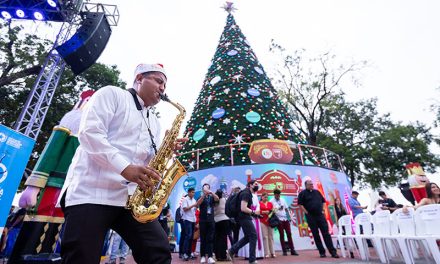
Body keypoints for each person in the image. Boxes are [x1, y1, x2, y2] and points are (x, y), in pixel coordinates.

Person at [58, 63, 188, 264]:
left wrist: (167, 151)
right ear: (139, 78)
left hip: (129, 200)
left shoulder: (154, 121)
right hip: (91, 191)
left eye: (165, 85)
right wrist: (125, 168)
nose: (163, 88)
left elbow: (147, 163)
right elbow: (90, 133)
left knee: (158, 250)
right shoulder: (111, 94)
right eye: (158, 81)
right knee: (81, 258)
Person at [298, 180, 339, 258]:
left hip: (320, 215)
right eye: (310, 184)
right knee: (316, 234)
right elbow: (300, 204)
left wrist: (323, 210)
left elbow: (323, 201)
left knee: (326, 234)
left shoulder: (317, 192)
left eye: (312, 184)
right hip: (311, 217)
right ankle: (322, 252)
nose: (312, 185)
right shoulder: (302, 194)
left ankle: (333, 252)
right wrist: (306, 212)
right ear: (306, 185)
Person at [226, 180, 260, 264]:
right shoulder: (246, 193)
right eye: (255, 184)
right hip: (244, 217)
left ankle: (231, 250)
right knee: (253, 236)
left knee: (248, 237)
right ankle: (252, 260)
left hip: (243, 217)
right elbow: (243, 208)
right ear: (250, 185)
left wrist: (254, 214)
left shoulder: (246, 193)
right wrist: (253, 212)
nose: (257, 185)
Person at [270, 189, 298, 256]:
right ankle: (284, 251)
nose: (278, 196)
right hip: (279, 219)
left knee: (289, 234)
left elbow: (286, 208)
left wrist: (289, 218)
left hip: (285, 219)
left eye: (279, 195)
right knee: (281, 234)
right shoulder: (271, 201)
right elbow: (271, 211)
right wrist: (277, 209)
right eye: (277, 195)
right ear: (274, 194)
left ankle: (292, 250)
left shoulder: (282, 199)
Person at [198, 183, 219, 264]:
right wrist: (204, 195)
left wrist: (211, 192)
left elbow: (217, 199)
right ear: (203, 190)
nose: (206, 189)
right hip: (203, 221)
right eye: (205, 188)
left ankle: (210, 257)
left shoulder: (211, 197)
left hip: (211, 220)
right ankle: (203, 256)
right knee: (203, 239)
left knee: (210, 238)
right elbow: (197, 204)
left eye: (207, 188)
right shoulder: (201, 197)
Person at [181, 187, 198, 261]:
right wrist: (193, 206)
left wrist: (196, 206)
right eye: (192, 192)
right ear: (188, 192)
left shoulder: (194, 200)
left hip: (193, 219)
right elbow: (185, 209)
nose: (193, 193)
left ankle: (189, 253)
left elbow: (194, 210)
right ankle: (184, 253)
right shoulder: (185, 199)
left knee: (191, 237)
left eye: (194, 192)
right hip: (187, 219)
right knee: (188, 236)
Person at [214, 189, 230, 261]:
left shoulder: (214, 201)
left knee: (217, 239)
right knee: (223, 238)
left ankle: (218, 256)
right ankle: (223, 256)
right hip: (225, 220)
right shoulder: (224, 199)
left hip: (216, 220)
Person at [259, 192, 276, 258]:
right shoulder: (259, 203)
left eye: (267, 197)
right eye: (264, 197)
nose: (266, 198)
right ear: (261, 197)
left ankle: (273, 252)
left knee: (271, 237)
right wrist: (264, 212)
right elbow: (257, 211)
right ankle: (267, 253)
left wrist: (271, 213)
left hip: (270, 221)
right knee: (265, 237)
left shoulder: (270, 203)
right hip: (262, 221)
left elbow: (273, 211)